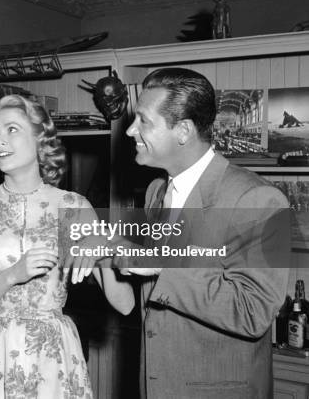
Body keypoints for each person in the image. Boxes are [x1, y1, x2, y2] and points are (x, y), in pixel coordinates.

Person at [121, 67, 289, 399]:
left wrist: (161, 265)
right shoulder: (156, 191)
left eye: (143, 121)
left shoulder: (257, 199)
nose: (129, 130)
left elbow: (253, 311)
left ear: (183, 130)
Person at [0, 95, 134, 399]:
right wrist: (12, 275)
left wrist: (102, 248)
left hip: (51, 356)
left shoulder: (74, 206)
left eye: (11, 129)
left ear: (40, 138)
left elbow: (125, 304)